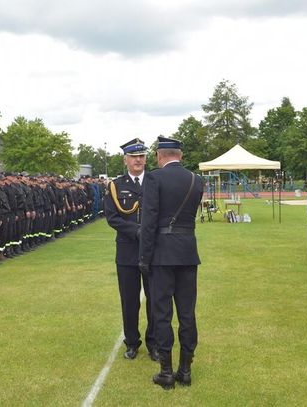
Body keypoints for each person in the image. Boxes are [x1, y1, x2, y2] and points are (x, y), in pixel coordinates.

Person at [138, 136, 203, 390]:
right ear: (180, 155)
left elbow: (149, 221)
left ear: (159, 155)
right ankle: (185, 370)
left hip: (162, 255)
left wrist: (144, 257)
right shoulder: (196, 179)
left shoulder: (154, 178)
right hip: (187, 251)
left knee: (162, 313)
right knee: (187, 312)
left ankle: (166, 372)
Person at [104, 138, 157, 361]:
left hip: (153, 251)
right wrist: (137, 231)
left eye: (142, 156)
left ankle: (154, 343)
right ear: (125, 160)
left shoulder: (155, 181)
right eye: (134, 157)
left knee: (155, 300)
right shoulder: (116, 185)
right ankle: (132, 342)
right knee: (129, 300)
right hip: (127, 251)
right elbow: (112, 217)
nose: (138, 160)